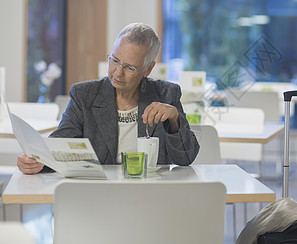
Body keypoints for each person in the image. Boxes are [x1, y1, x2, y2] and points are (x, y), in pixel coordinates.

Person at [17, 23, 199, 174]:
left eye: (130, 68)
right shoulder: (85, 95)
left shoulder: (166, 94)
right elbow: (59, 146)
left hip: (149, 196)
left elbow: (185, 159)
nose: (117, 73)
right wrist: (36, 161)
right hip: (97, 197)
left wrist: (174, 120)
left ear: (148, 69)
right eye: (115, 60)